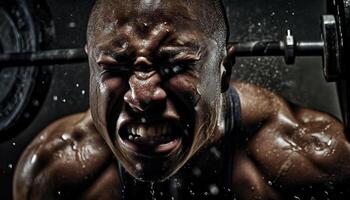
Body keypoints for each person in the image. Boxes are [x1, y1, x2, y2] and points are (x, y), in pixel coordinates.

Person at [13, 0, 350, 199]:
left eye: (176, 65)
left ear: (223, 69)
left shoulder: (310, 162)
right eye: (114, 67)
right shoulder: (54, 174)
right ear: (91, 66)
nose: (142, 97)